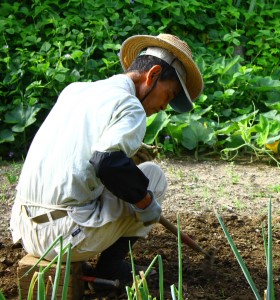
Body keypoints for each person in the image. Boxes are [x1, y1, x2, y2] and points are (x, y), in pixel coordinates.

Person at [10, 33, 203, 284]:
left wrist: (127, 163)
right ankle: (109, 270)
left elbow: (85, 157)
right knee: (153, 178)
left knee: (130, 176)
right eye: (169, 95)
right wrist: (146, 203)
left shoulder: (74, 91)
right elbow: (107, 163)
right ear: (153, 74)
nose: (165, 107)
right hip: (61, 239)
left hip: (25, 228)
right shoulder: (130, 105)